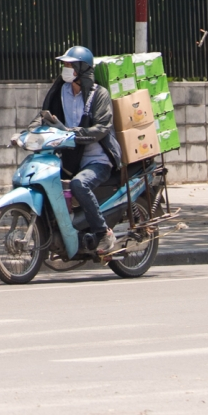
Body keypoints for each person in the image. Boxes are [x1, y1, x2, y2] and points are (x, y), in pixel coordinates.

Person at [42, 45, 122, 258]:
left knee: (79, 184)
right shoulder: (61, 92)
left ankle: (104, 232)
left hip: (98, 160)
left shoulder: (99, 95)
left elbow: (102, 128)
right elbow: (46, 116)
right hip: (71, 159)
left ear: (82, 68)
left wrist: (72, 133)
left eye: (70, 64)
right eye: (65, 64)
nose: (66, 68)